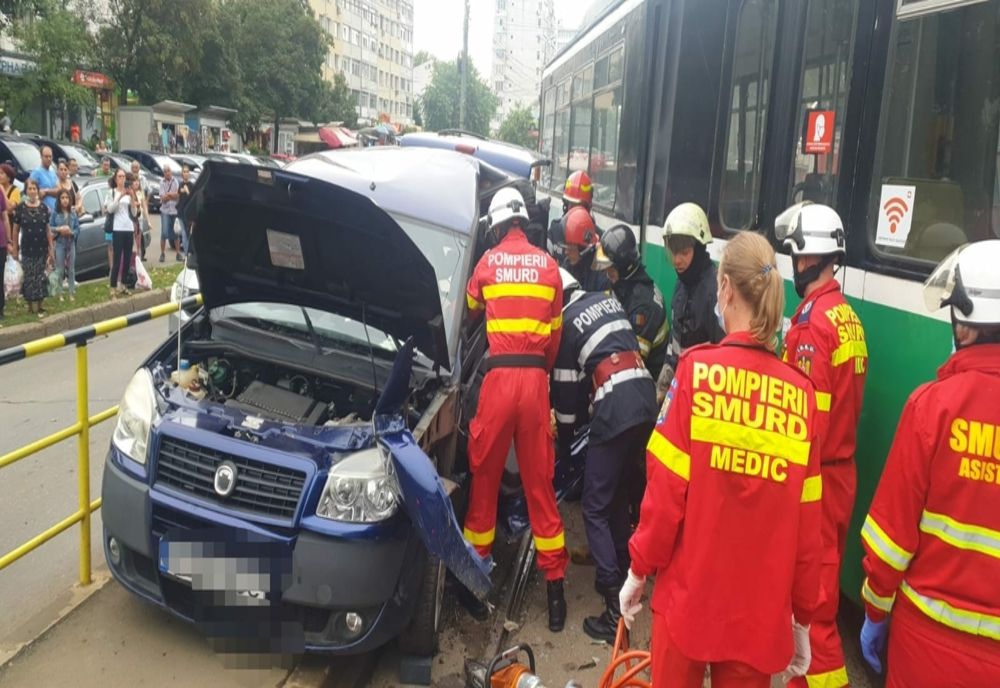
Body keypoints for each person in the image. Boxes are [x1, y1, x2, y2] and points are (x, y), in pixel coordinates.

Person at [619, 231, 822, 687]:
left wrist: (638, 570)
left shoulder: (696, 372)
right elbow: (810, 530)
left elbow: (664, 495)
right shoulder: (801, 397)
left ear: (725, 289)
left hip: (688, 605)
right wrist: (804, 617)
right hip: (759, 619)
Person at [857, 240, 1000, 687]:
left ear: (966, 324)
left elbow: (889, 543)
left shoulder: (932, 408)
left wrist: (876, 612)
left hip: (927, 643)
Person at [463, 187, 569, 631]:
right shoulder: (549, 267)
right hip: (533, 381)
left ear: (495, 225)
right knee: (539, 484)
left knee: (484, 477)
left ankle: (474, 579)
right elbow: (555, 339)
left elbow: (469, 311)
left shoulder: (487, 263)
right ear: (523, 222)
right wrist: (538, 377)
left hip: (500, 378)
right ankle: (556, 591)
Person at [775, 202, 868, 688]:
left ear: (806, 258)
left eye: (794, 256)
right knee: (817, 596)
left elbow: (806, 423)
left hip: (817, 481)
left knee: (813, 610)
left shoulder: (812, 326)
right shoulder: (848, 317)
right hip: (840, 473)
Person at [550, 268, 657, 643]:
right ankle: (624, 572)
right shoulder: (605, 301)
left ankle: (614, 610)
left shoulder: (564, 323)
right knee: (619, 495)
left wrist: (566, 447)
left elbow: (566, 404)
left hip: (614, 406)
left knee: (594, 504)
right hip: (644, 399)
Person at [658, 203, 725, 404]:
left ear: (700, 247)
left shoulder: (715, 292)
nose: (677, 260)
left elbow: (721, 353)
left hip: (705, 393)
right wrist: (664, 385)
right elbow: (675, 343)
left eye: (684, 253)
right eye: (673, 253)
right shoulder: (681, 285)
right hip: (683, 385)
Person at [592, 225, 668, 381]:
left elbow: (633, 360)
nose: (607, 272)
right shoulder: (621, 285)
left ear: (624, 266)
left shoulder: (643, 306)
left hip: (646, 380)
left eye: (611, 268)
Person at [9, 179, 53, 317]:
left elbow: (47, 229)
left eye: (34, 189)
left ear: (38, 191)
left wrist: (51, 248)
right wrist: (15, 248)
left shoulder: (44, 208)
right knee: (29, 276)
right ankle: (30, 307)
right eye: (30, 189)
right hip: (27, 248)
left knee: (40, 276)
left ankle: (40, 305)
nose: (32, 191)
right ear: (26, 191)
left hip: (41, 247)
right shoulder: (21, 208)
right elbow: (15, 230)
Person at [557, 205, 610, 293]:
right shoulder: (569, 264)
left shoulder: (603, 274)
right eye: (565, 247)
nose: (566, 252)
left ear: (584, 249)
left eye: (570, 248)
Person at [105, 170, 137, 296]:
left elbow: (134, 213)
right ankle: (113, 286)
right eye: (119, 176)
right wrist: (119, 197)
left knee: (128, 258)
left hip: (128, 228)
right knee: (117, 259)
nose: (122, 179)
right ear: (115, 178)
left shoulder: (129, 194)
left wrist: (132, 197)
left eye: (123, 177)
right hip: (117, 229)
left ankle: (123, 284)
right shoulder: (111, 192)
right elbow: (110, 209)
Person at [49, 189, 79, 301]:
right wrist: (59, 229)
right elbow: (50, 227)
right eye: (62, 198)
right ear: (59, 200)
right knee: (60, 268)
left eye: (67, 198)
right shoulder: (55, 213)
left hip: (70, 243)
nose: (65, 200)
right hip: (60, 243)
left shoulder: (73, 213)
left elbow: (77, 228)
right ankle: (60, 292)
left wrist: (72, 232)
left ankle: (71, 291)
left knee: (71, 269)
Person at [159, 165, 181, 261]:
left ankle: (178, 253)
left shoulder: (175, 181)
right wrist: (171, 196)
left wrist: (169, 195)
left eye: (168, 171)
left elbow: (178, 196)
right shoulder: (161, 183)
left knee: (175, 233)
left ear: (171, 171)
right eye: (165, 171)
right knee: (164, 233)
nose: (167, 173)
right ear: (163, 173)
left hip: (174, 211)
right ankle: (162, 254)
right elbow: (163, 199)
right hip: (165, 211)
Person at [28, 146, 59, 212]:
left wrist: (46, 191)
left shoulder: (53, 172)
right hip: (42, 212)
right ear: (41, 157)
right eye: (46, 156)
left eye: (50, 156)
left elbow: (58, 191)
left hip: (55, 211)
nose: (49, 159)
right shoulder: (36, 172)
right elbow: (32, 192)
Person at [176, 164, 195, 254]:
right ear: (182, 174)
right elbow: (178, 198)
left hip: (189, 214)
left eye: (187, 172)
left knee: (188, 234)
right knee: (183, 234)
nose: (186, 174)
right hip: (181, 212)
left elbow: (193, 198)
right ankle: (186, 255)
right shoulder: (180, 185)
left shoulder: (191, 185)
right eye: (184, 172)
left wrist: (187, 192)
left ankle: (190, 253)